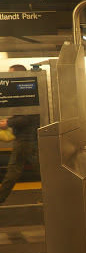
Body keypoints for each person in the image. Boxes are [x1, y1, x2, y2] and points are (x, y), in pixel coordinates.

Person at [0, 64, 40, 204]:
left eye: (11, 74)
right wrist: (10, 120)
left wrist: (8, 123)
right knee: (41, 169)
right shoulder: (28, 88)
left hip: (25, 139)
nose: (9, 76)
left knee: (14, 169)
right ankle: (55, 195)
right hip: (30, 138)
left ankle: (0, 198)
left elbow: (27, 117)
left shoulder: (24, 90)